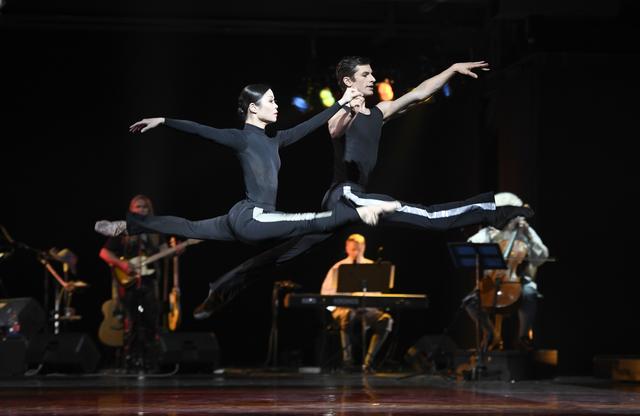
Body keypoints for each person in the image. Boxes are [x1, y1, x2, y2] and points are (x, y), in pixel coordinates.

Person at [190, 57, 533, 319]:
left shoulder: (379, 112)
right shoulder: (339, 113)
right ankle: (494, 209)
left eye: (372, 74)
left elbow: (418, 93)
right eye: (366, 75)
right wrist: (346, 106)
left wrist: (452, 68)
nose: (373, 78)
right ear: (348, 81)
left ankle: (220, 289)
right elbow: (336, 131)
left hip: (351, 200)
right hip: (345, 193)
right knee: (417, 212)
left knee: (287, 252)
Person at [94, 85, 401, 316]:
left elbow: (307, 128)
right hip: (253, 217)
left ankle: (130, 226)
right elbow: (204, 131)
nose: (277, 105)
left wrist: (340, 103)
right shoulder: (241, 138)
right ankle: (363, 211)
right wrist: (163, 120)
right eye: (271, 100)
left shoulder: (275, 139)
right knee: (308, 220)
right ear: (253, 108)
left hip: (239, 217)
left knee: (190, 226)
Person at [462, 192, 549, 351]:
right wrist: (487, 240)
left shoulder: (524, 232)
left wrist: (528, 232)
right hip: (493, 281)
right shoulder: (490, 231)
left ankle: (523, 337)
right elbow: (470, 245)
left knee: (529, 293)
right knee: (470, 301)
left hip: (518, 281)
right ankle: (490, 334)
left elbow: (542, 256)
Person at [98, 195, 165, 372]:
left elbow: (165, 252)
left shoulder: (156, 232)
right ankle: (130, 362)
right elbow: (104, 253)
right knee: (131, 322)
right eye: (138, 207)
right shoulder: (123, 230)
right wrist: (122, 264)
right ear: (131, 210)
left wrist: (177, 250)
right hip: (127, 283)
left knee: (151, 322)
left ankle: (151, 363)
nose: (142, 210)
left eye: (145, 207)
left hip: (149, 281)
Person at [320, 233, 392, 373]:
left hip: (367, 311)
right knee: (349, 315)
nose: (356, 252)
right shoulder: (338, 267)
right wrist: (334, 310)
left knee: (386, 321)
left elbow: (377, 295)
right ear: (347, 248)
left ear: (364, 248)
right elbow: (325, 294)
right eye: (353, 249)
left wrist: (368, 307)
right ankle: (347, 361)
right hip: (344, 311)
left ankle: (368, 363)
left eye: (358, 249)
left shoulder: (372, 267)